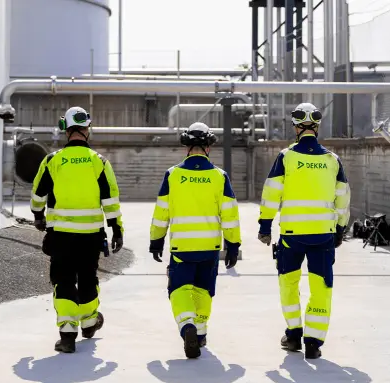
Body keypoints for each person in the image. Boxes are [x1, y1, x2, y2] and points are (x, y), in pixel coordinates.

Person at [258, 102, 351, 359]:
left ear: (296, 127)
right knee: (321, 287)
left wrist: (265, 226)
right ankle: (314, 341)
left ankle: (293, 334)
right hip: (323, 235)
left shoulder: (286, 157)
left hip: (292, 235)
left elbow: (271, 194)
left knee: (288, 283)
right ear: (317, 128)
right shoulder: (332, 160)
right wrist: (340, 229)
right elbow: (342, 198)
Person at [30, 106, 124, 353]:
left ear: (65, 129)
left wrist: (38, 216)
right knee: (88, 278)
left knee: (63, 280)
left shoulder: (53, 160)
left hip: (60, 236)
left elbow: (38, 194)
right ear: (87, 129)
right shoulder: (99, 163)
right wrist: (117, 229)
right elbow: (110, 201)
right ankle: (90, 323)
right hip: (91, 236)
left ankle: (68, 334)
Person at [149, 122, 241, 359]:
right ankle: (199, 335)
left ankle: (187, 326)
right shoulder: (220, 177)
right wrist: (233, 245)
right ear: (208, 147)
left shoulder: (173, 175)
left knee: (178, 289)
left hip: (182, 247)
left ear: (187, 147)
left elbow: (162, 213)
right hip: (209, 248)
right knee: (203, 291)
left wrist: (156, 240)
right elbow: (230, 215)